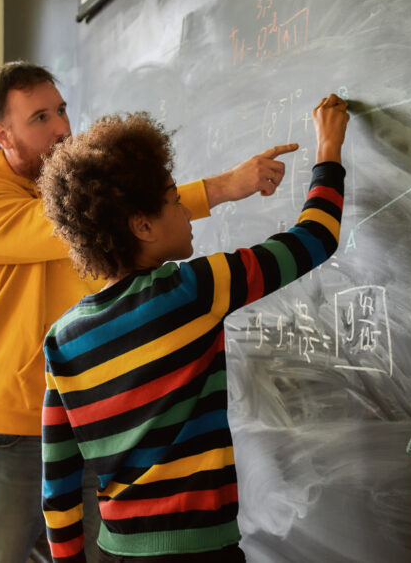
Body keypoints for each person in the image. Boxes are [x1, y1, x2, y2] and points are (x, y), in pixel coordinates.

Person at [0, 61, 298, 562]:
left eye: (62, 110)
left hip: (86, 418)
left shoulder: (71, 189)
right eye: (40, 118)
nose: (62, 128)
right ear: (2, 134)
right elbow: (67, 224)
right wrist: (223, 187)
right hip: (7, 427)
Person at [38, 94, 349, 562]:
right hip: (199, 552)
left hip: (115, 551)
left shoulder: (62, 339)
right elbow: (314, 239)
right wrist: (328, 148)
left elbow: (58, 486)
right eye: (173, 201)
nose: (187, 211)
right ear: (142, 225)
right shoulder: (191, 290)